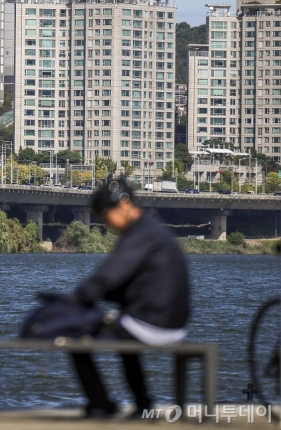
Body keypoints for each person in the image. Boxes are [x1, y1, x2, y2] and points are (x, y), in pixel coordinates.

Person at [71, 176, 190, 417]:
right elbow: (123, 284)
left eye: (106, 216)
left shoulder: (140, 233)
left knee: (77, 339)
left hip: (155, 323)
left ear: (123, 205)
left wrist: (78, 298)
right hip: (172, 322)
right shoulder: (151, 228)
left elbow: (109, 275)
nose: (107, 224)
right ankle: (142, 404)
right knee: (121, 329)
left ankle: (101, 403)